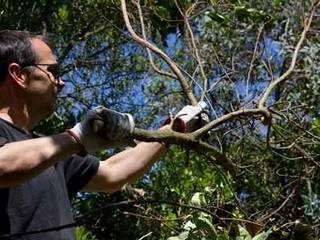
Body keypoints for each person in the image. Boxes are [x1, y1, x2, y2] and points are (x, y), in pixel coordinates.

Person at [0, 30, 206, 239]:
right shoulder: (51, 146)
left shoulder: (51, 154)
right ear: (19, 75)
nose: (60, 82)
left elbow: (113, 172)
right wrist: (75, 138)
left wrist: (172, 131)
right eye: (53, 70)